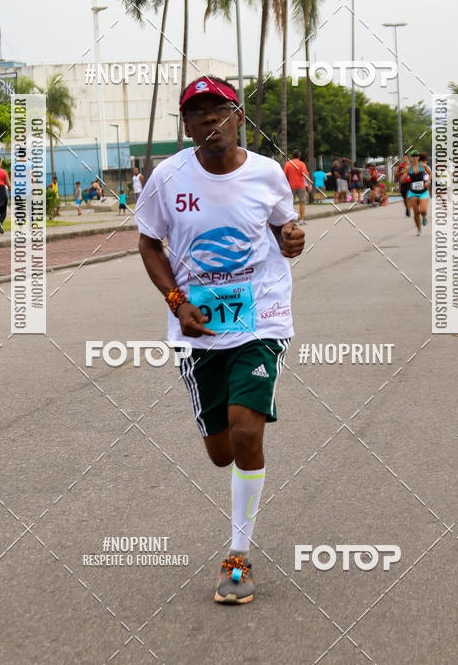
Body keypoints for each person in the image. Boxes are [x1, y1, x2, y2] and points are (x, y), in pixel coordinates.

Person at [136, 75, 305, 605]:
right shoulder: (168, 178)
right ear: (186, 125)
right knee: (220, 451)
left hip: (260, 321)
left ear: (237, 117)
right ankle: (238, 475)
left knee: (245, 432)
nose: (209, 120)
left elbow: (284, 229)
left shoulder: (266, 174)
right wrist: (176, 303)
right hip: (198, 331)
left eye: (219, 110)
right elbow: (147, 244)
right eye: (197, 113)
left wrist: (292, 239)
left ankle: (238, 557)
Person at [406, 150, 432, 236]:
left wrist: (428, 181)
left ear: (418, 157)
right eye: (413, 156)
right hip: (413, 192)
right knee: (416, 212)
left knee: (423, 210)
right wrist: (403, 178)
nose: (414, 157)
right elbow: (404, 176)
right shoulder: (408, 168)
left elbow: (430, 173)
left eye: (416, 156)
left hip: (423, 191)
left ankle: (424, 217)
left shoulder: (423, 165)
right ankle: (419, 229)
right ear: (411, 157)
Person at [283, 149, 309, 225]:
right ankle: (301, 220)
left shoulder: (288, 164)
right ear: (299, 156)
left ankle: (291, 220)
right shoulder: (302, 164)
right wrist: (309, 184)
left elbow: (285, 176)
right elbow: (305, 175)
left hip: (291, 186)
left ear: (292, 155)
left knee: (290, 203)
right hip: (301, 186)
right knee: (302, 203)